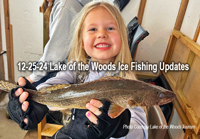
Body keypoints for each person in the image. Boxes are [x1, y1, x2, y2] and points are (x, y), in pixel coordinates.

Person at [7, 1, 148, 139]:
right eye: (93, 29)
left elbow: (141, 131)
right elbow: (51, 85)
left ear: (123, 38)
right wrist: (34, 99)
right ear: (81, 41)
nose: (102, 34)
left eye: (110, 28)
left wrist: (120, 127)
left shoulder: (129, 82)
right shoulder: (76, 69)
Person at [27, 0, 92, 87]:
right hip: (73, 66)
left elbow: (55, 52)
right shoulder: (62, 4)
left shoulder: (65, 6)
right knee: (36, 66)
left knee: (30, 87)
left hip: (73, 69)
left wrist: (34, 77)